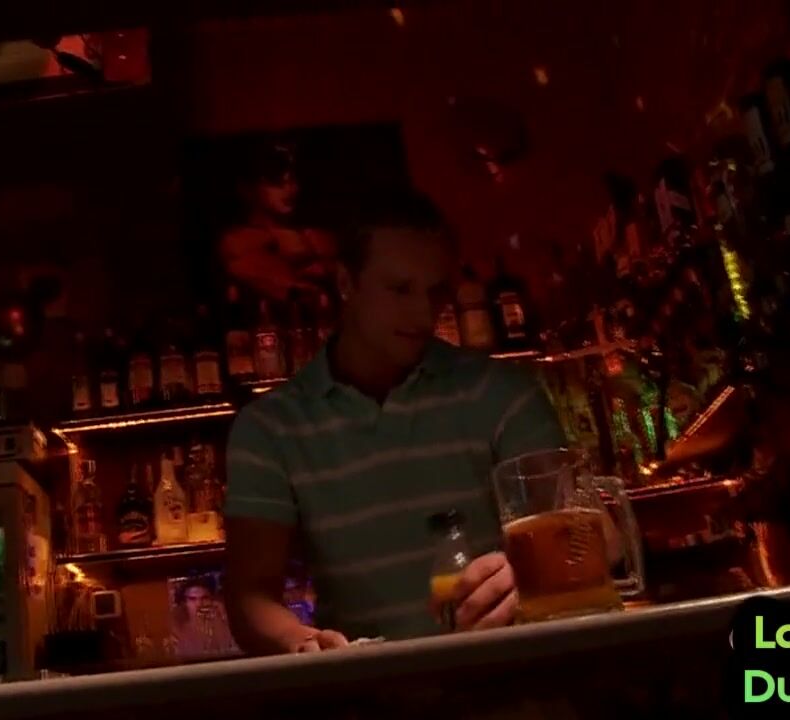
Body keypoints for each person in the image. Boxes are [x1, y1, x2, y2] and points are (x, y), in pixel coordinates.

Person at [222, 190, 567, 654]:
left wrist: (530, 574)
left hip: (509, 673)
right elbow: (250, 596)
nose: (423, 314)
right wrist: (303, 643)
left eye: (436, 291)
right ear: (346, 282)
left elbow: (578, 535)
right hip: (368, 684)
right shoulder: (270, 429)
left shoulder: (503, 394)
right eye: (400, 289)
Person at [218, 143, 338, 302]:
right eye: (275, 180)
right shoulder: (237, 242)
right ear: (247, 188)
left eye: (293, 180)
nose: (289, 189)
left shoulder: (316, 237)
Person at [169, 575, 238, 660]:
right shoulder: (177, 630)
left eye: (204, 598)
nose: (199, 604)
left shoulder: (223, 624)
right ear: (185, 602)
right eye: (192, 599)